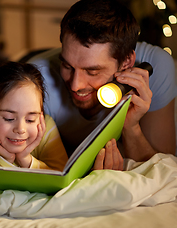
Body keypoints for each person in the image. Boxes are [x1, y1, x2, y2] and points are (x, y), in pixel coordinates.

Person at [28, 0, 177, 170]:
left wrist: (130, 126)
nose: (76, 85)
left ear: (127, 61)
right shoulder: (37, 81)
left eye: (92, 71)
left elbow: (165, 170)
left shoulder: (156, 66)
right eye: (67, 66)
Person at [0, 62, 68, 186]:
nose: (21, 129)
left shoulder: (45, 126)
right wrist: (4, 160)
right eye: (9, 118)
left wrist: (26, 160)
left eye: (30, 119)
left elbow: (63, 179)